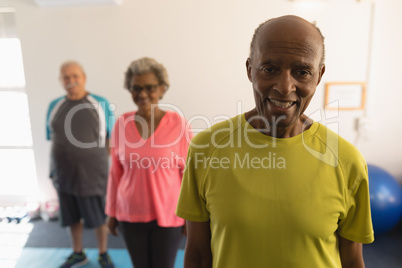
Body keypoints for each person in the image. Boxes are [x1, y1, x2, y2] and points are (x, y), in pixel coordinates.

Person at [176, 15, 374, 268]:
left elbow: (352, 260)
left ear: (319, 75)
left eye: (302, 72)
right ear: (250, 70)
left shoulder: (347, 161)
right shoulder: (207, 149)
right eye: (269, 69)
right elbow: (197, 255)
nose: (284, 86)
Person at [105, 57, 192, 268]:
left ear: (162, 89)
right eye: (136, 88)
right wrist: (111, 212)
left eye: (150, 87)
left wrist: (192, 215)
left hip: (170, 214)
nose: (142, 94)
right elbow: (115, 173)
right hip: (130, 213)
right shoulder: (121, 124)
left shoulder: (178, 124)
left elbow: (190, 174)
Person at [46, 61, 115, 268]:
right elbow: (53, 139)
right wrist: (52, 172)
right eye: (66, 77)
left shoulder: (100, 103)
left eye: (75, 76)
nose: (71, 81)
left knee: (98, 216)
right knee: (71, 216)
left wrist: (103, 167)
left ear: (84, 77)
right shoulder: (54, 105)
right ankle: (78, 252)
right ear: (61, 80)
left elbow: (111, 140)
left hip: (93, 175)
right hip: (64, 174)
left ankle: (103, 253)